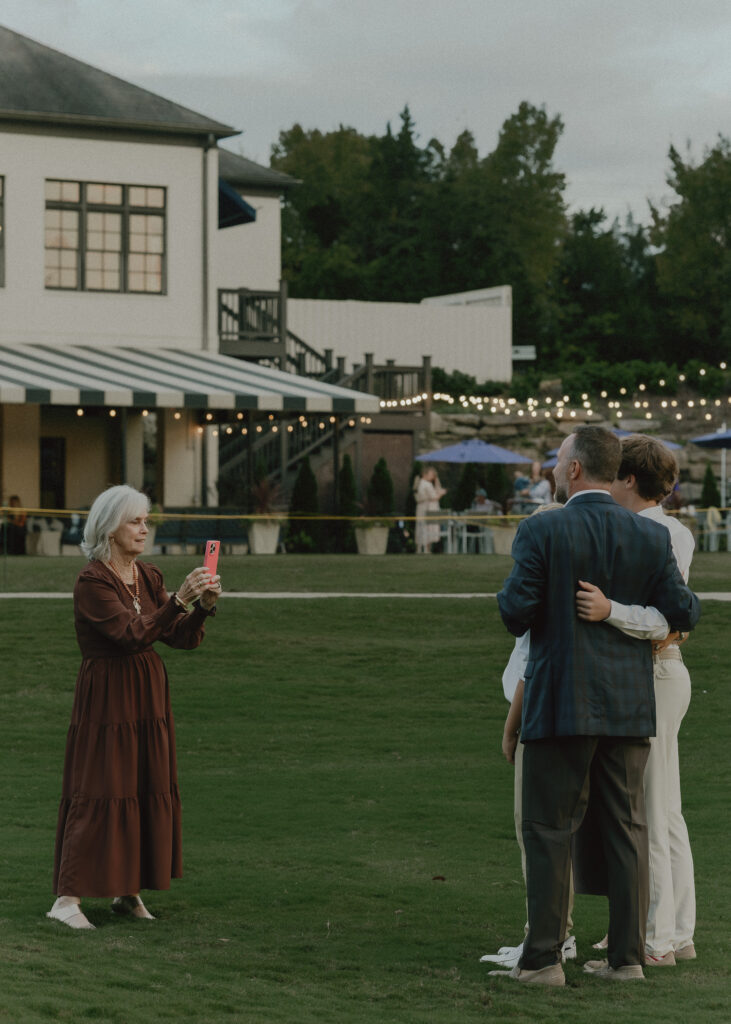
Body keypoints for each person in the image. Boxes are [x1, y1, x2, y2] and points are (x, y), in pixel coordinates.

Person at [494, 425, 699, 986]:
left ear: (577, 469)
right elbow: (685, 613)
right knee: (628, 829)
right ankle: (627, 959)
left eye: (559, 462)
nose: (555, 471)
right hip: (631, 705)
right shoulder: (650, 537)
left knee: (547, 828)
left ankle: (542, 961)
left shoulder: (543, 528)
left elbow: (515, 613)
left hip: (560, 700)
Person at [47, 485, 221, 930]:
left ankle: (128, 892)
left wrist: (201, 608)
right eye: (135, 521)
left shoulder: (147, 575)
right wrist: (178, 602)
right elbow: (130, 634)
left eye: (146, 520)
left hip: (147, 697)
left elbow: (180, 636)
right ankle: (67, 899)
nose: (145, 529)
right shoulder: (93, 580)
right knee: (99, 789)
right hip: (108, 699)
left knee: (142, 786)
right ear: (109, 527)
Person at [576, 435, 697, 967]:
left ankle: (654, 939)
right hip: (667, 672)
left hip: (653, 672)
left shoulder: (649, 531)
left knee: (643, 810)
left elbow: (664, 620)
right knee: (664, 809)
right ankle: (676, 929)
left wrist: (609, 611)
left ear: (627, 479)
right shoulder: (675, 530)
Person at [480, 503, 577, 970]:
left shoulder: (541, 596)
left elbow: (528, 670)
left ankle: (548, 936)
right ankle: (556, 932)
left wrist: (509, 725)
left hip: (539, 717)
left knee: (533, 831)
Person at [413, 466, 446, 553]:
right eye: (432, 475)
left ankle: (420, 548)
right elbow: (434, 497)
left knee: (421, 528)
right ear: (425, 474)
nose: (433, 477)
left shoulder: (420, 483)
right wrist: (441, 493)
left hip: (421, 509)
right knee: (426, 528)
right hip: (426, 509)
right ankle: (426, 549)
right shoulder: (426, 484)